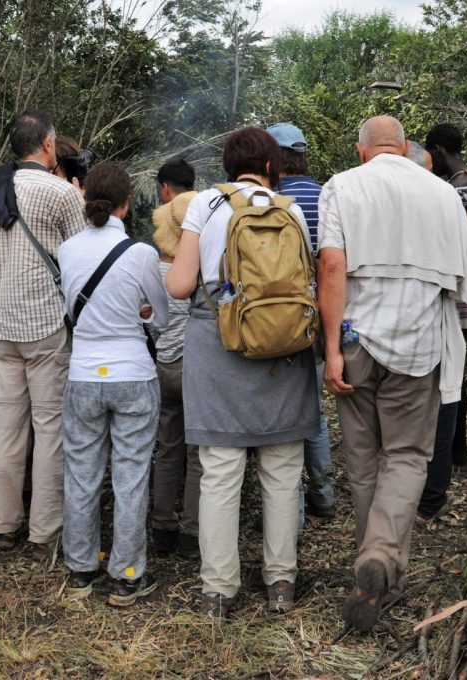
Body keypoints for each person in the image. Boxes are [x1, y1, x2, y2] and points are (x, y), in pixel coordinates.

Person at [319, 116, 467, 633]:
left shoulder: (342, 186)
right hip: (417, 347)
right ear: (406, 147)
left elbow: (331, 268)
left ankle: (374, 562)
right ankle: (384, 559)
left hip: (356, 341)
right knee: (408, 457)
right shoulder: (440, 194)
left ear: (362, 149)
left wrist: (331, 351)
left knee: (364, 462)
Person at [166, 127, 322, 618]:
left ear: (228, 165)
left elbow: (179, 285)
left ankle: (218, 590)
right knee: (281, 471)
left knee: (219, 472)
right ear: (273, 165)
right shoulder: (290, 210)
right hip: (284, 352)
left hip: (220, 346)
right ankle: (280, 584)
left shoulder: (205, 205)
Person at [0, 110, 86, 555]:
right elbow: (82, 260)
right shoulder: (61, 193)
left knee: (5, 426)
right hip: (44, 325)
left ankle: (2, 527)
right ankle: (44, 532)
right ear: (48, 145)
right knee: (50, 426)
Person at [59, 163, 170, 605]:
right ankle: (126, 575)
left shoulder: (66, 250)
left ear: (85, 199)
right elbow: (159, 316)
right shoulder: (141, 253)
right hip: (132, 375)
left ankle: (82, 568)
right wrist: (142, 315)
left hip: (83, 373)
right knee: (131, 476)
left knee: (81, 475)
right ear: (127, 203)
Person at [404, 144, 467, 524]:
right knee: (442, 405)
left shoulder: (366, 202)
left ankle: (407, 494)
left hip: (385, 333)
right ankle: (429, 499)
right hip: (435, 324)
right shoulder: (438, 204)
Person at [267, 122, 335, 523]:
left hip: (274, 321)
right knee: (314, 408)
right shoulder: (327, 196)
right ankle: (323, 493)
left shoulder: (267, 200)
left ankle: (287, 506)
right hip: (320, 318)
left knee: (281, 412)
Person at [425, 123, 467, 474]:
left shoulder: (458, 187)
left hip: (461, 282)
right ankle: (457, 452)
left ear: (437, 150)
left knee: (452, 373)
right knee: (455, 370)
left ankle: (453, 453)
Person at [149, 164, 200, 558]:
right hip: (198, 368)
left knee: (168, 447)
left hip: (164, 367)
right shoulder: (201, 267)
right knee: (200, 453)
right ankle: (193, 531)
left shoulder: (152, 267)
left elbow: (147, 321)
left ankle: (162, 526)